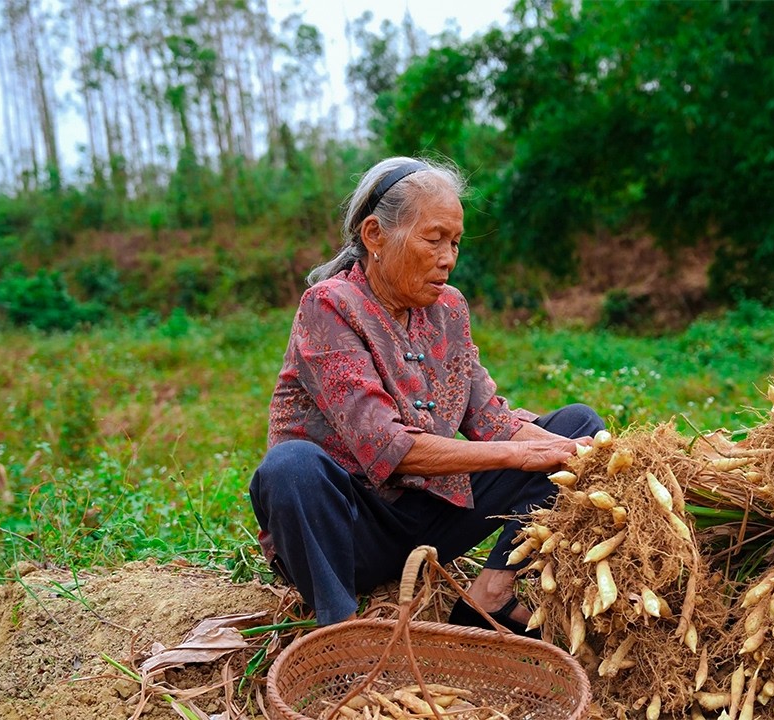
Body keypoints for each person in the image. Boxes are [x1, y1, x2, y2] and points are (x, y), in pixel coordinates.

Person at [249, 157, 604, 635]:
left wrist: (584, 454)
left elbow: (490, 419)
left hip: (430, 522)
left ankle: (490, 596)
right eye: (433, 239)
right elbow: (387, 448)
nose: (448, 257)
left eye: (455, 242)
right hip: (351, 534)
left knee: (578, 425)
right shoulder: (329, 305)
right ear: (375, 235)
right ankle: (339, 628)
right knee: (290, 467)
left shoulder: (448, 308)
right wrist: (523, 454)